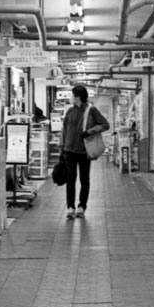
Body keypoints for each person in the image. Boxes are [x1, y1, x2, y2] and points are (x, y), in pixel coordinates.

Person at [60, 84, 109, 219]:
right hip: (69, 150)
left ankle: (82, 206)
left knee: (84, 179)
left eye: (72, 95)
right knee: (70, 179)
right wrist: (62, 147)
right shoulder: (69, 111)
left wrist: (89, 131)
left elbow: (105, 124)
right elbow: (64, 130)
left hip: (84, 151)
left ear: (77, 97)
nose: (70, 97)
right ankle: (70, 207)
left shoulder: (91, 110)